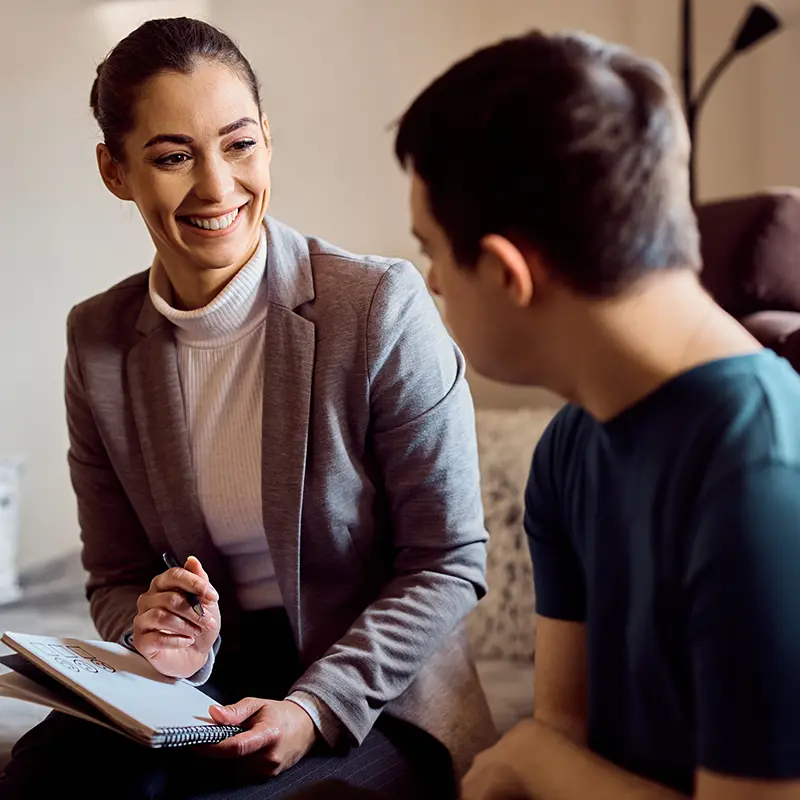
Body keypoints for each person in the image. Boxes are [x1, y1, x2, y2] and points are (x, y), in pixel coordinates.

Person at [0, 16, 496, 800]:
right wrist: (157, 632)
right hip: (199, 689)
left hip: (372, 694)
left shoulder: (376, 307)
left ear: (267, 137)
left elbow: (449, 560)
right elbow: (118, 576)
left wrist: (311, 705)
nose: (217, 187)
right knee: (43, 776)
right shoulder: (97, 339)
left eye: (238, 144)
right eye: (171, 157)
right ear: (115, 170)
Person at [394, 29, 800, 800]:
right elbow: (562, 730)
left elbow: (548, 757)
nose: (431, 282)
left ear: (510, 272)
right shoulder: (572, 447)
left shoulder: (765, 478)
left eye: (434, 251)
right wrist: (534, 763)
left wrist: (532, 762)